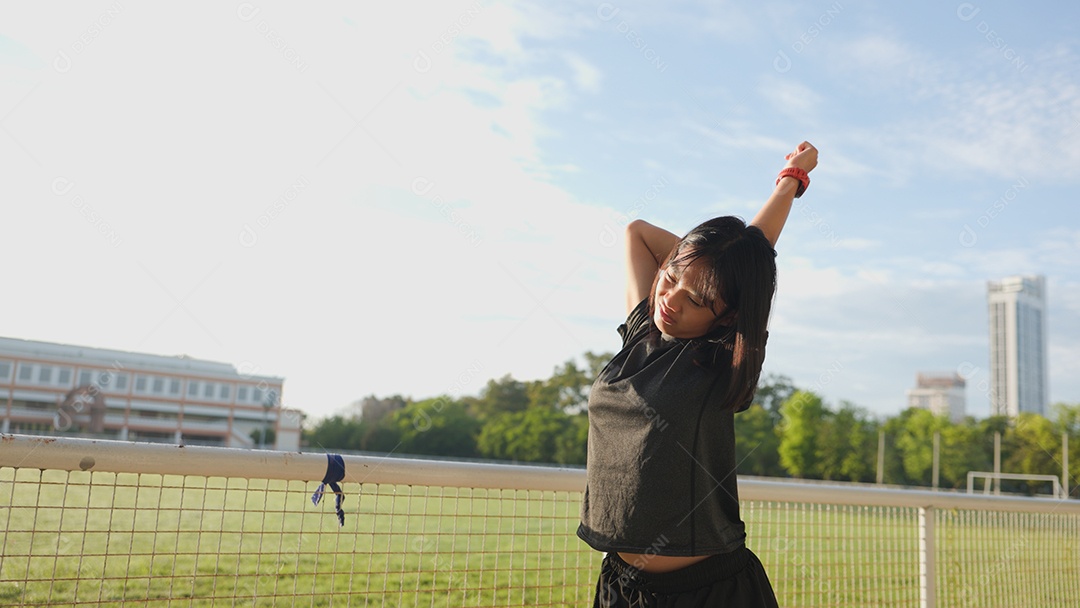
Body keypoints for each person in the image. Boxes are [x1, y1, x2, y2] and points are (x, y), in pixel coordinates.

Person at [578, 142, 819, 607]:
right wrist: (700, 270)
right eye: (669, 279)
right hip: (622, 587)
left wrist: (791, 178)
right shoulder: (641, 336)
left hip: (707, 593)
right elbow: (637, 232)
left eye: (697, 301)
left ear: (727, 317)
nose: (672, 300)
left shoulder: (718, 362)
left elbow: (752, 261)